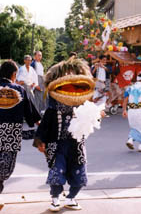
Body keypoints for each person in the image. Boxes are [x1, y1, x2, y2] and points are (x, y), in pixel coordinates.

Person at [0, 60, 41, 214]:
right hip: (12, 133)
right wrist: (42, 128)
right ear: (14, 74)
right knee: (3, 169)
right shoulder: (20, 90)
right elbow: (32, 115)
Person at [33, 58, 99, 212]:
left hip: (77, 145)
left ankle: (71, 198)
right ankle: (55, 199)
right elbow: (44, 126)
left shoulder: (83, 105)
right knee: (57, 172)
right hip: (57, 145)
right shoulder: (53, 107)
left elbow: (91, 120)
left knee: (79, 173)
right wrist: (40, 141)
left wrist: (96, 115)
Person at [16, 55, 41, 139]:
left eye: (30, 60)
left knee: (32, 105)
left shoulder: (32, 69)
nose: (29, 62)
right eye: (27, 60)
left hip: (29, 88)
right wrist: (19, 83)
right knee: (26, 106)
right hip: (23, 88)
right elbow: (17, 79)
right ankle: (30, 122)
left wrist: (34, 84)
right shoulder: (21, 69)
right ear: (24, 61)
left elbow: (35, 79)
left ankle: (35, 122)